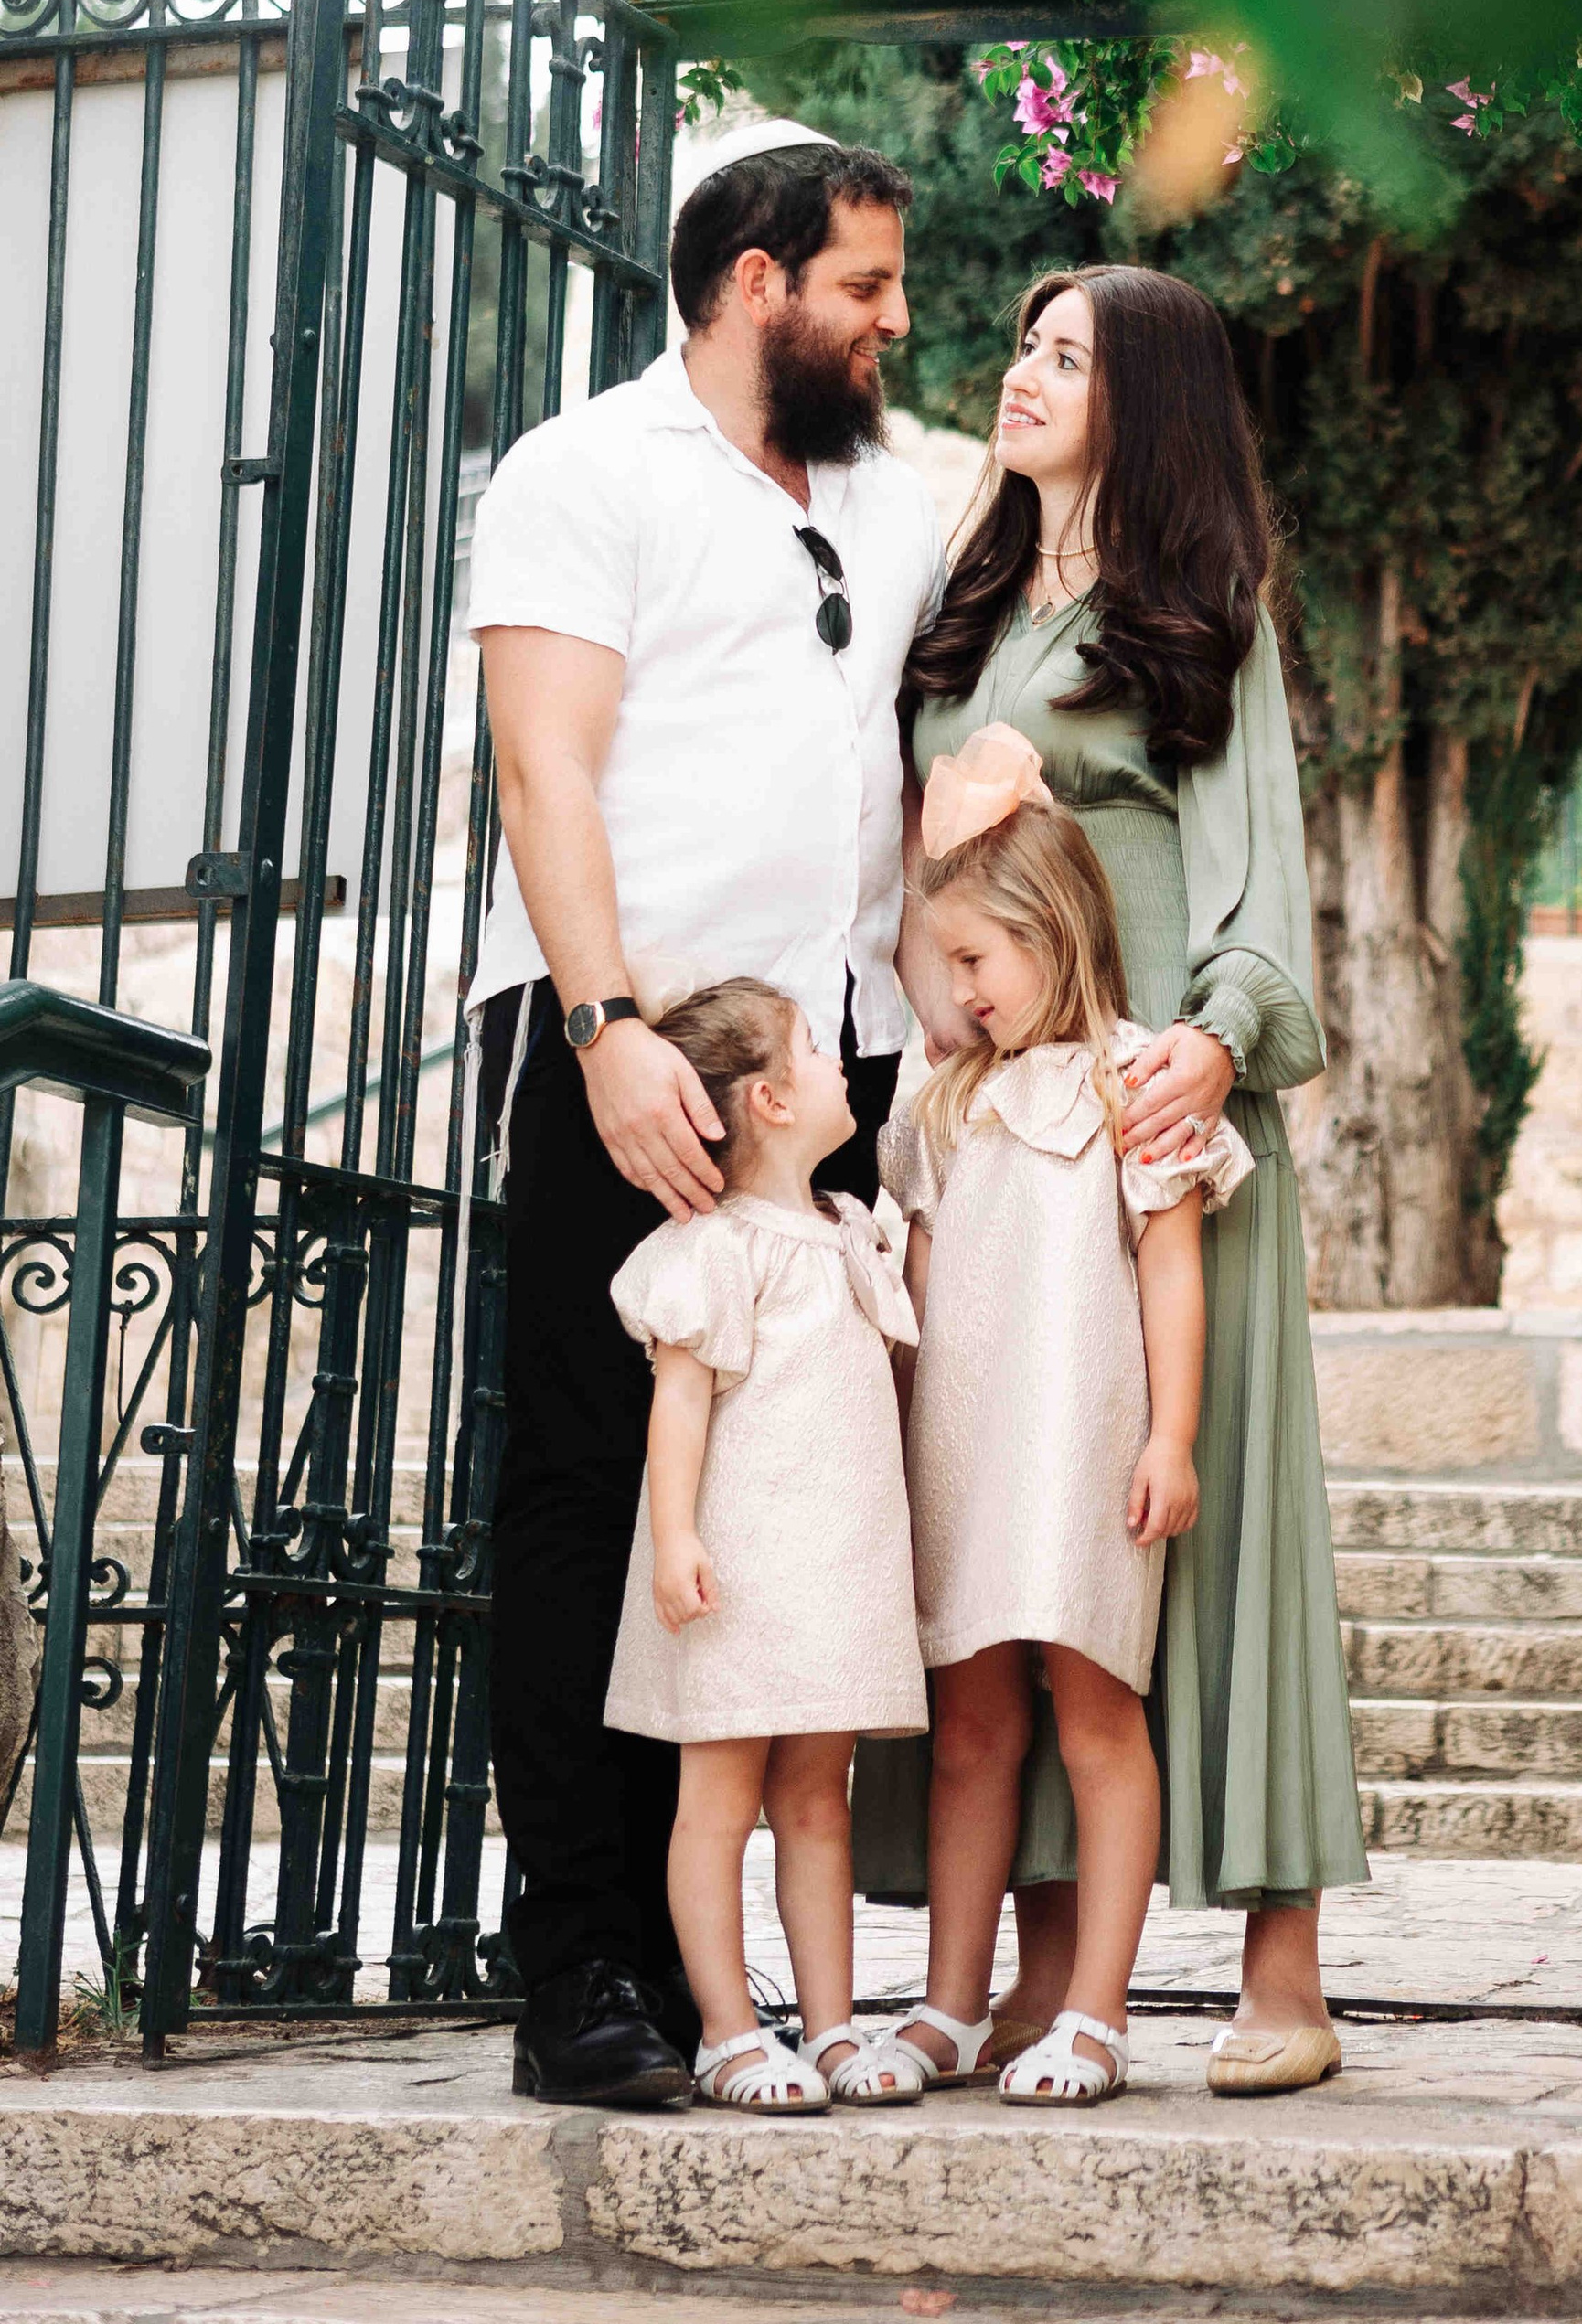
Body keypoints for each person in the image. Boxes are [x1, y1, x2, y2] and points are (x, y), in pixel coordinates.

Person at [467, 132, 943, 2109]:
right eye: (863, 289)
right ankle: (579, 1964)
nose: (895, 323)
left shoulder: (901, 499)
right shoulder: (584, 471)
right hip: (640, 1053)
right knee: (596, 1496)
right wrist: (604, 1027)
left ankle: (726, 1987)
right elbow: (543, 762)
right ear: (754, 280)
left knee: (784, 1524)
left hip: (844, 1067)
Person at [862, 264, 1367, 2098]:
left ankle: (1282, 1969)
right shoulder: (963, 596)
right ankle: (1039, 1969)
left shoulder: (1205, 617)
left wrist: (1214, 1041)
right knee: (1010, 1549)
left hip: (1165, 1133)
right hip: (994, 1139)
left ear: (1141, 398)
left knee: (1201, 1531)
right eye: (1020, 346)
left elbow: (1260, 891)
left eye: (1065, 357)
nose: (1021, 376)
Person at [847, 731, 1251, 2108]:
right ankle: (956, 2005)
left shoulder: (1138, 1083)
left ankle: (1092, 2012)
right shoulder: (936, 1096)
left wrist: (1171, 1436)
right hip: (961, 1454)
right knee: (969, 1732)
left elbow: (1173, 1269)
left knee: (1096, 1720)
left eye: (975, 962)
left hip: (1082, 1454)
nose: (957, 993)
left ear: (1051, 928)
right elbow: (908, 1266)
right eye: (945, 966)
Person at [601, 977, 926, 2115]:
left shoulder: (846, 1230)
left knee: (817, 1800)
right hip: (739, 1571)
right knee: (717, 1802)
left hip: (832, 1568)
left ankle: (832, 2028)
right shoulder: (714, 1249)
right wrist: (678, 1534)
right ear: (775, 1100)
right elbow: (680, 1402)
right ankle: (729, 2033)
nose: (847, 1066)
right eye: (823, 1053)